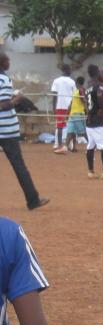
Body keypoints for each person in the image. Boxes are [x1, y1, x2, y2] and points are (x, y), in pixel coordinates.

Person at [0, 53, 48, 210]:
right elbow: (3, 105)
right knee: (19, 166)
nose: (9, 62)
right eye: (7, 60)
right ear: (2, 63)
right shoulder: (4, 80)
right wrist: (17, 99)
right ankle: (33, 200)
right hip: (7, 129)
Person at [50, 64, 76, 154]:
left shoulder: (56, 81)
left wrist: (54, 107)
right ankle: (67, 146)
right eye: (69, 69)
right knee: (69, 126)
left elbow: (54, 95)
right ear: (66, 70)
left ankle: (61, 145)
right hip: (69, 106)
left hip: (60, 106)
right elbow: (74, 96)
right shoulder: (72, 82)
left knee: (60, 126)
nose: (70, 71)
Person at [63, 77, 86, 154]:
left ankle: (92, 144)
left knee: (82, 132)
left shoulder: (81, 90)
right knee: (70, 131)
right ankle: (65, 147)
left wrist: (87, 112)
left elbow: (84, 101)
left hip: (78, 114)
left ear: (77, 82)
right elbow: (71, 103)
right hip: (72, 114)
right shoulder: (75, 91)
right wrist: (67, 113)